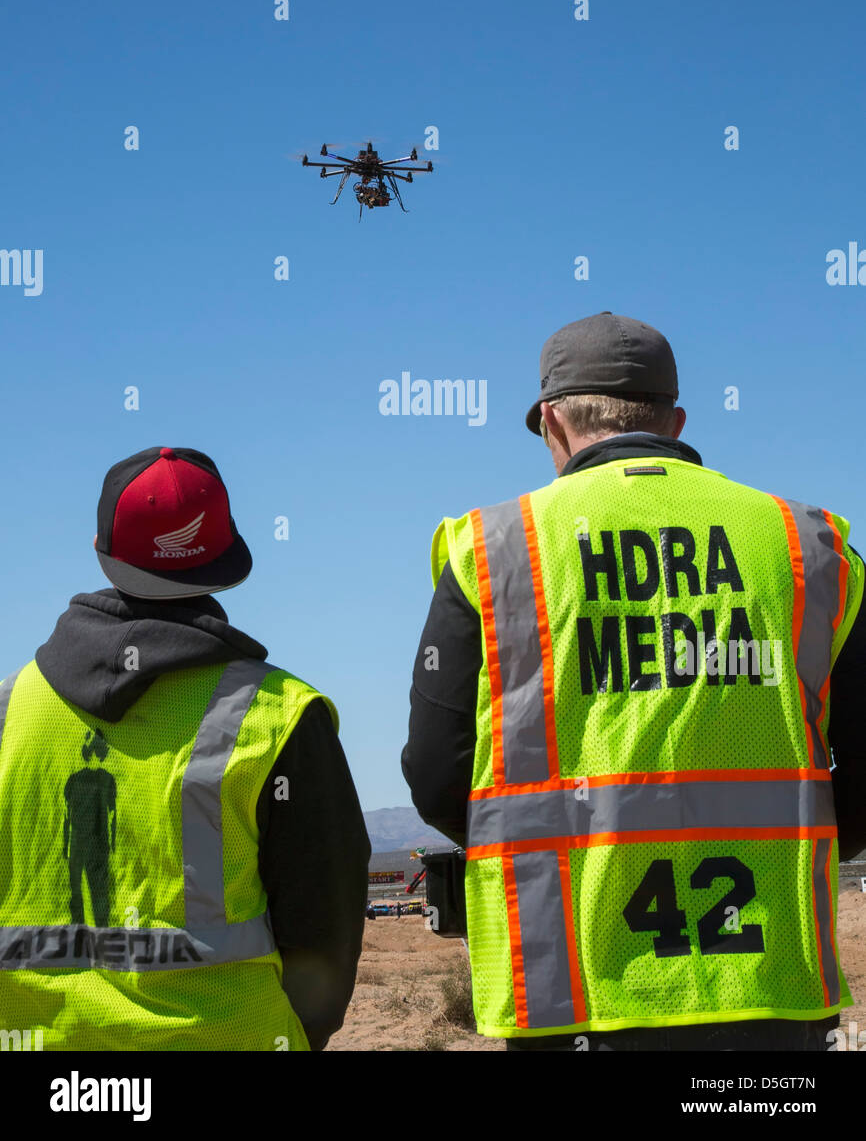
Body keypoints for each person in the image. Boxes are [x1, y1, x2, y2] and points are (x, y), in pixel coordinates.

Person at [402, 311, 866, 1051]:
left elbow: (436, 773)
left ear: (551, 421)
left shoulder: (495, 550)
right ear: (676, 419)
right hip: (768, 990)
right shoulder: (807, 545)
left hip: (574, 996)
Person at [0, 446, 370, 1050]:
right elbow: (324, 921)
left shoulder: (8, 712)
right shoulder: (279, 717)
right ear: (226, 558)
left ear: (102, 547)